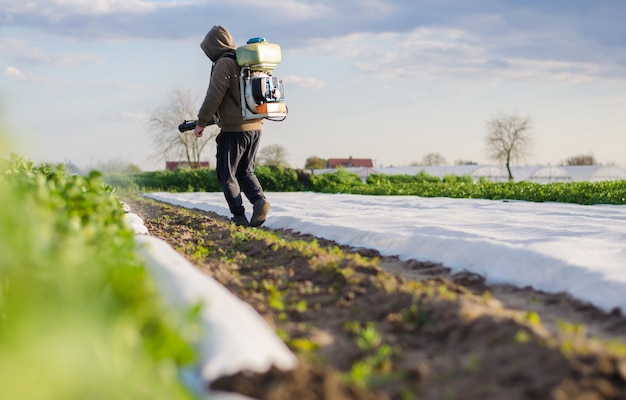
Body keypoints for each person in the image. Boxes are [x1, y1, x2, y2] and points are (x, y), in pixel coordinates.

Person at [193, 25, 270, 227]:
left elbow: (214, 96)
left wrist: (201, 122)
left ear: (214, 46)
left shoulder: (224, 63)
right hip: (256, 126)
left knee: (226, 174)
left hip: (235, 129)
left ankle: (238, 216)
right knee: (245, 171)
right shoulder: (245, 61)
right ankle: (259, 200)